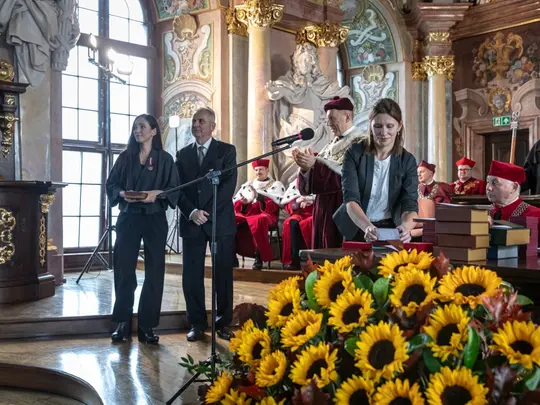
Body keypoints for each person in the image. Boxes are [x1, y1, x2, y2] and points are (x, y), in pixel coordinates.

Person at [106, 114, 180, 344]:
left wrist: (155, 195)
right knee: (124, 268)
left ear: (153, 131)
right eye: (135, 127)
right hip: (128, 217)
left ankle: (147, 325)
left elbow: (174, 189)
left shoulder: (165, 159)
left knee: (155, 270)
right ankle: (123, 322)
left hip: (154, 217)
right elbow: (112, 185)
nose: (137, 130)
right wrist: (122, 194)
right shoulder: (125, 158)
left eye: (142, 126)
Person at [176, 107, 237, 342]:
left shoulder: (226, 151)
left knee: (222, 274)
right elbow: (178, 188)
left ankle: (223, 323)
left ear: (213, 126)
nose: (196, 125)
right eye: (194, 121)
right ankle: (197, 323)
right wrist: (191, 212)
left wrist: (207, 213)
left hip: (219, 221)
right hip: (192, 221)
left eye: (201, 121)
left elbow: (228, 187)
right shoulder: (182, 155)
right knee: (191, 276)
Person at [333, 98, 418, 243]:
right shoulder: (354, 153)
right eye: (378, 126)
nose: (383, 132)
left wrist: (406, 227)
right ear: (371, 126)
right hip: (357, 225)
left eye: (390, 126)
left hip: (391, 227)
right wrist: (367, 227)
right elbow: (351, 199)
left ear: (399, 126)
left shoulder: (407, 160)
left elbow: (409, 203)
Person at [293, 96, 365, 248]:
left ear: (347, 116)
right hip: (322, 209)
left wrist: (316, 165)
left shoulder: (361, 142)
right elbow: (313, 185)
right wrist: (306, 168)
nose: (328, 123)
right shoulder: (329, 146)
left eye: (332, 118)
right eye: (327, 119)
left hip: (343, 208)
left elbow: (351, 178)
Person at [233, 159, 285, 270]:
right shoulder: (248, 184)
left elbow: (276, 205)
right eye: (256, 170)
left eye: (261, 169)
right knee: (232, 219)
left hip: (267, 215)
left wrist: (259, 197)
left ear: (267, 170)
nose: (258, 172)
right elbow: (237, 203)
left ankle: (259, 257)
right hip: (248, 213)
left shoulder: (276, 185)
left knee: (259, 220)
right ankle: (232, 256)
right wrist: (245, 204)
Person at [411, 161, 454, 238]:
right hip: (417, 225)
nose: (419, 174)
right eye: (418, 172)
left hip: (437, 226)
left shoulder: (442, 187)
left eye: (422, 172)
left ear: (431, 173)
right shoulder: (415, 188)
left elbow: (447, 210)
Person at [280, 181, 314, 270]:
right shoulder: (295, 184)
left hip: (314, 213)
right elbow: (287, 203)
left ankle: (313, 259)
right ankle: (295, 260)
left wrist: (310, 200)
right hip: (299, 213)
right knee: (291, 222)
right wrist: (296, 203)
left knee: (307, 224)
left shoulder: (318, 180)